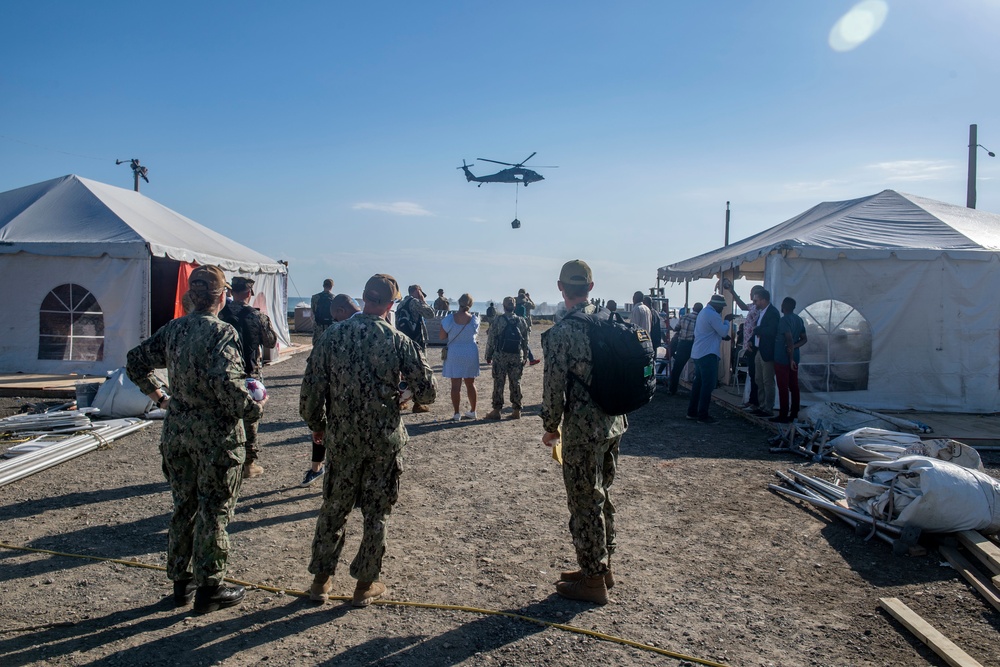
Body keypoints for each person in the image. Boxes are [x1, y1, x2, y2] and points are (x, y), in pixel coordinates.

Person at [126, 265, 264, 614]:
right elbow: (230, 390)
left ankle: (181, 583)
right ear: (222, 297)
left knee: (184, 507)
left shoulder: (174, 330)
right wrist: (255, 407)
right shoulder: (221, 333)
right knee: (214, 510)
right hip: (216, 437)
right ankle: (210, 587)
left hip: (178, 433)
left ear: (192, 296)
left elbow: (135, 361)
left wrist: (160, 398)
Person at [301, 273, 436, 607]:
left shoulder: (332, 336)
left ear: (363, 298)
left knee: (334, 507)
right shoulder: (397, 340)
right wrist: (403, 393)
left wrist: (318, 425)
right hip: (383, 441)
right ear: (390, 304)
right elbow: (428, 391)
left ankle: (321, 581)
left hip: (343, 440)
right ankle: (365, 584)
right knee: (376, 513)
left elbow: (311, 390)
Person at [540, 260, 626, 605]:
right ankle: (602, 567)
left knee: (585, 503)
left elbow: (553, 387)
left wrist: (550, 426)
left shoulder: (562, 332)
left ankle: (592, 581)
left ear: (561, 287)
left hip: (582, 428)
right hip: (614, 422)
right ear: (591, 287)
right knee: (601, 495)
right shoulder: (610, 320)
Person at [219, 276, 278, 479]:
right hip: (250, 373)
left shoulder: (220, 315)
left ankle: (224, 459)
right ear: (248, 293)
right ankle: (249, 464)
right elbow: (271, 342)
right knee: (251, 418)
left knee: (225, 416)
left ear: (232, 291)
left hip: (223, 373)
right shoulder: (256, 317)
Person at [300, 294, 361, 487]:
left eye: (336, 317)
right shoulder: (384, 329)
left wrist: (315, 422)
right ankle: (318, 468)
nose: (335, 321)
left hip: (339, 402)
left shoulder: (334, 333)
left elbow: (314, 381)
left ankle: (319, 468)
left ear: (342, 311)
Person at [686, 294, 734, 424]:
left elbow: (712, 332)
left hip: (699, 353)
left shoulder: (703, 312)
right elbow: (723, 332)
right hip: (708, 354)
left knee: (698, 384)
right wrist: (727, 321)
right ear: (717, 305)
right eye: (722, 307)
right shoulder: (713, 315)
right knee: (708, 385)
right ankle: (703, 415)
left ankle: (692, 412)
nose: (722, 309)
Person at [484, 296, 529, 420]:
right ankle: (516, 410)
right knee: (516, 382)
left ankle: (497, 410)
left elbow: (492, 339)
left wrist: (488, 355)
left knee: (499, 382)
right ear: (514, 307)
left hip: (500, 356)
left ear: (504, 306)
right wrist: (525, 355)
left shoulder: (498, 320)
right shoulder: (521, 321)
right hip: (516, 355)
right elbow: (525, 341)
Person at [396, 284, 436, 414]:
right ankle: (418, 404)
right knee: (418, 372)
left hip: (402, 341)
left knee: (402, 373)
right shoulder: (415, 302)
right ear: (417, 291)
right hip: (415, 342)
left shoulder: (401, 304)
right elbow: (431, 314)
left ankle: (401, 401)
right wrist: (423, 301)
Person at [439, 293, 480, 421]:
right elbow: (474, 334)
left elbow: (442, 336)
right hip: (470, 351)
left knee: (455, 385)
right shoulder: (474, 319)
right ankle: (473, 410)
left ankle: (456, 413)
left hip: (454, 351)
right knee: (470, 383)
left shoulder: (449, 319)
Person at [725, 283, 764, 411]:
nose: (750, 296)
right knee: (752, 374)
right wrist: (732, 292)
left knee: (755, 375)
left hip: (754, 345)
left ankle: (755, 403)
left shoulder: (759, 309)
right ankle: (751, 401)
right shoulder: (754, 306)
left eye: (752, 294)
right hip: (748, 345)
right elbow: (742, 306)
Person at [772, 297, 808, 424]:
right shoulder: (799, 320)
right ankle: (794, 413)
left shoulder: (784, 320)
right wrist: (794, 348)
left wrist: (790, 354)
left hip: (783, 358)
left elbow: (788, 339)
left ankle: (783, 414)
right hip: (795, 356)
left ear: (783, 306)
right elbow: (804, 339)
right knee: (794, 386)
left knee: (783, 386)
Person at [750, 289, 780, 418]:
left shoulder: (772, 313)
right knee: (758, 379)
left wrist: (757, 330)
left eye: (756, 300)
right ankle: (761, 405)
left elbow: (772, 330)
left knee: (767, 380)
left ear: (763, 300)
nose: (754, 303)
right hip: (759, 349)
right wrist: (752, 339)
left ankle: (768, 407)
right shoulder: (762, 312)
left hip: (767, 351)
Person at [668, 302, 702, 395]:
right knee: (698, 367)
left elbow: (676, 328)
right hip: (694, 344)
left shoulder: (684, 317)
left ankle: (672, 389)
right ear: (701, 310)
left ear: (693, 308)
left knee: (677, 368)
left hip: (682, 344)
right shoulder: (700, 319)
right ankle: (698, 390)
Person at [515, 288, 541, 365]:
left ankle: (527, 358)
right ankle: (530, 359)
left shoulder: (515, 301)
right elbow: (534, 306)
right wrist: (529, 298)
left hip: (516, 323)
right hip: (526, 324)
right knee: (525, 342)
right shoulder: (527, 303)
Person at [311, 278, 336, 345]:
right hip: (330, 325)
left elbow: (312, 312)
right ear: (332, 286)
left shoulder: (315, 297)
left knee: (317, 345)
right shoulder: (335, 298)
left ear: (323, 285)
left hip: (318, 325)